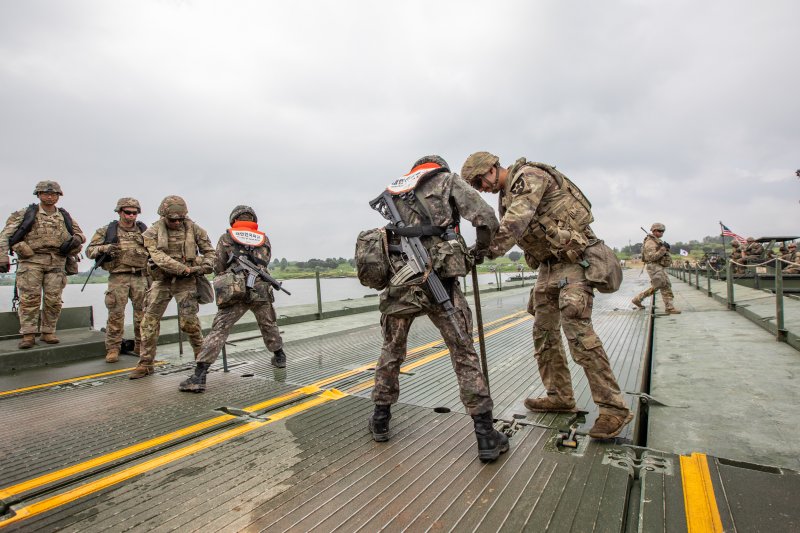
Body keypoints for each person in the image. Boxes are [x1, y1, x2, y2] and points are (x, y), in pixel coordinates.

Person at [460, 152, 633, 439]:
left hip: (575, 261)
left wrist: (485, 251)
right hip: (548, 266)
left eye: (480, 181)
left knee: (578, 333)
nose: (481, 189)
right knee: (544, 333)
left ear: (492, 169)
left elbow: (515, 223)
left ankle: (613, 409)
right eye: (476, 186)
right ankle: (560, 396)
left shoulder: (528, 177)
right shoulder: (505, 194)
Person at [368, 155, 508, 463]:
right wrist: (479, 252)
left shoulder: (394, 190)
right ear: (437, 166)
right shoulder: (447, 180)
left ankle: (380, 419)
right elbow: (485, 216)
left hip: (399, 283)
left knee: (391, 352)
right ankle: (485, 435)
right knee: (463, 353)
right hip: (439, 281)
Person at [179, 205, 287, 392]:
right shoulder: (263, 238)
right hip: (261, 289)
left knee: (219, 330)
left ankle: (199, 376)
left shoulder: (226, 238)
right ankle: (279, 357)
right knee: (269, 324)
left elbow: (219, 265)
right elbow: (266, 261)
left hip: (235, 290)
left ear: (234, 219)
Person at [130, 195, 215, 379]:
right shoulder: (152, 232)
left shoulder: (195, 229)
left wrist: (205, 265)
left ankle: (201, 359)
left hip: (187, 282)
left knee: (189, 322)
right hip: (163, 280)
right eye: (172, 219)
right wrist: (183, 268)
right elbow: (158, 257)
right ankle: (145, 363)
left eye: (180, 219)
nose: (176, 223)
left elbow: (210, 252)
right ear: (164, 216)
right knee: (149, 322)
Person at [0, 181, 85, 349]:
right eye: (46, 193)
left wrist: (77, 239)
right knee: (29, 299)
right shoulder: (26, 213)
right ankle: (28, 334)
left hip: (56, 261)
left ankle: (48, 331)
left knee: (53, 300)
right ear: (38, 195)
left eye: (53, 194)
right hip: (31, 261)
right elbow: (5, 235)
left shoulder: (64, 216)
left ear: (58, 196)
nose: (50, 197)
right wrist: (3, 257)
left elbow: (80, 234)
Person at [85, 198, 150, 363]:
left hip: (139, 276)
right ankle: (113, 347)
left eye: (134, 213)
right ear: (120, 212)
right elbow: (89, 251)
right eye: (127, 212)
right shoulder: (107, 231)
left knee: (142, 314)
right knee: (115, 314)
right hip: (118, 277)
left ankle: (140, 345)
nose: (131, 216)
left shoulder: (144, 231)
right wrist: (104, 248)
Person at [632, 223, 681, 314]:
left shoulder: (656, 241)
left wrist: (665, 249)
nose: (661, 233)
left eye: (663, 231)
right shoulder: (650, 242)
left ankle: (638, 299)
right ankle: (669, 308)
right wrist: (663, 249)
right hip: (654, 266)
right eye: (659, 231)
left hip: (658, 266)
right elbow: (652, 257)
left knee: (661, 285)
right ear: (653, 231)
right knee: (663, 285)